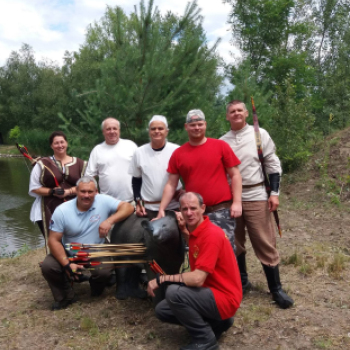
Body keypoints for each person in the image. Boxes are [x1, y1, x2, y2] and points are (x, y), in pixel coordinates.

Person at [220, 100, 294, 309]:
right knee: (234, 242)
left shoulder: (259, 135)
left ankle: (276, 288)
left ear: (245, 113)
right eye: (231, 111)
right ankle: (242, 282)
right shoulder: (222, 141)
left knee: (264, 240)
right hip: (230, 198)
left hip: (256, 193)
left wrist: (275, 193)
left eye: (239, 111)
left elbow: (272, 162)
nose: (236, 114)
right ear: (227, 116)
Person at [148, 192, 242, 350]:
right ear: (180, 211)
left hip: (224, 297)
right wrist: (184, 230)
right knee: (162, 309)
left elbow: (197, 279)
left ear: (203, 208)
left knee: (173, 293)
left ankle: (205, 339)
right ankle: (218, 322)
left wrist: (162, 279)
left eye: (193, 208)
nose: (189, 213)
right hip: (211, 292)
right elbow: (195, 244)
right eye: (185, 209)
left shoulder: (211, 234)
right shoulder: (198, 231)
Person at [41, 176, 134, 310]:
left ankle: (95, 286)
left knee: (104, 271)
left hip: (96, 249)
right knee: (49, 266)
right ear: (76, 191)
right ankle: (65, 296)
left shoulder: (103, 200)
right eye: (83, 191)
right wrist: (67, 265)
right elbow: (53, 240)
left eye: (90, 192)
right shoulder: (62, 211)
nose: (86, 195)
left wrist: (109, 221)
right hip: (69, 251)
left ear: (96, 192)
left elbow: (128, 207)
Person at [155, 109, 242, 250]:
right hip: (194, 214)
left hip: (221, 210)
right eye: (192, 125)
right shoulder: (178, 154)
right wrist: (161, 209)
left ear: (205, 125)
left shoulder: (220, 146)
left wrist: (237, 202)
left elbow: (235, 175)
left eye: (200, 124)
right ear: (186, 127)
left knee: (225, 250)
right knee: (200, 250)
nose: (196, 128)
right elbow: (171, 184)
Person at [29, 131, 87, 245]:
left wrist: (68, 191)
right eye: (56, 143)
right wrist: (52, 191)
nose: (60, 145)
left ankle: (75, 261)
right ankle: (57, 262)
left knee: (76, 241)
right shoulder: (42, 164)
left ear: (66, 143)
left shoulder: (80, 164)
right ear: (51, 146)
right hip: (48, 208)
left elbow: (88, 186)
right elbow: (34, 188)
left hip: (76, 207)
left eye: (62, 142)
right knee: (54, 242)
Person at [129, 115, 183, 220]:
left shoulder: (176, 150)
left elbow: (189, 174)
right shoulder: (139, 152)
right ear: (149, 131)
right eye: (153, 129)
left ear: (166, 131)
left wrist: (187, 191)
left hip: (174, 206)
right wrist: (138, 201)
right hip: (150, 208)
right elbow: (136, 179)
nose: (156, 131)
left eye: (160, 128)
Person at [85, 117, 137, 202]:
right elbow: (89, 176)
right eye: (108, 129)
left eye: (114, 128)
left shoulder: (131, 146)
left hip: (131, 201)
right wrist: (93, 193)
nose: (112, 132)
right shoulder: (97, 150)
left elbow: (141, 171)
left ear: (119, 130)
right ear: (103, 132)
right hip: (106, 203)